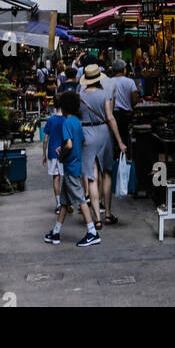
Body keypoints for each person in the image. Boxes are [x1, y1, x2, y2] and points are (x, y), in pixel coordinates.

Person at [44, 92, 100, 248]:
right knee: (64, 202)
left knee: (80, 200)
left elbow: (68, 144)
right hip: (76, 164)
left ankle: (92, 232)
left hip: (70, 166)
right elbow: (81, 143)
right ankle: (56, 232)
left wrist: (61, 154)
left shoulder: (67, 123)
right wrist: (68, 151)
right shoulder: (77, 122)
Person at [79, 63, 127, 229]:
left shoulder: (80, 95)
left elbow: (77, 118)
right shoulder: (104, 93)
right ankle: (107, 214)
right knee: (106, 173)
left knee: (91, 176)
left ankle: (96, 218)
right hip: (103, 132)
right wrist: (120, 141)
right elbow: (110, 117)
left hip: (86, 133)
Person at [110, 59, 140, 160]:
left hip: (113, 116)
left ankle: (115, 160)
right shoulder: (130, 81)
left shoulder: (108, 82)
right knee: (126, 138)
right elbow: (135, 100)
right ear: (123, 69)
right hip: (127, 115)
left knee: (114, 139)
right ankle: (126, 160)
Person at [42, 99, 67, 214]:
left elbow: (45, 138)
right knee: (66, 177)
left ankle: (58, 204)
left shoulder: (50, 120)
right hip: (64, 152)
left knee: (56, 178)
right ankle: (66, 202)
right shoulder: (66, 119)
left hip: (52, 153)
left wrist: (44, 154)